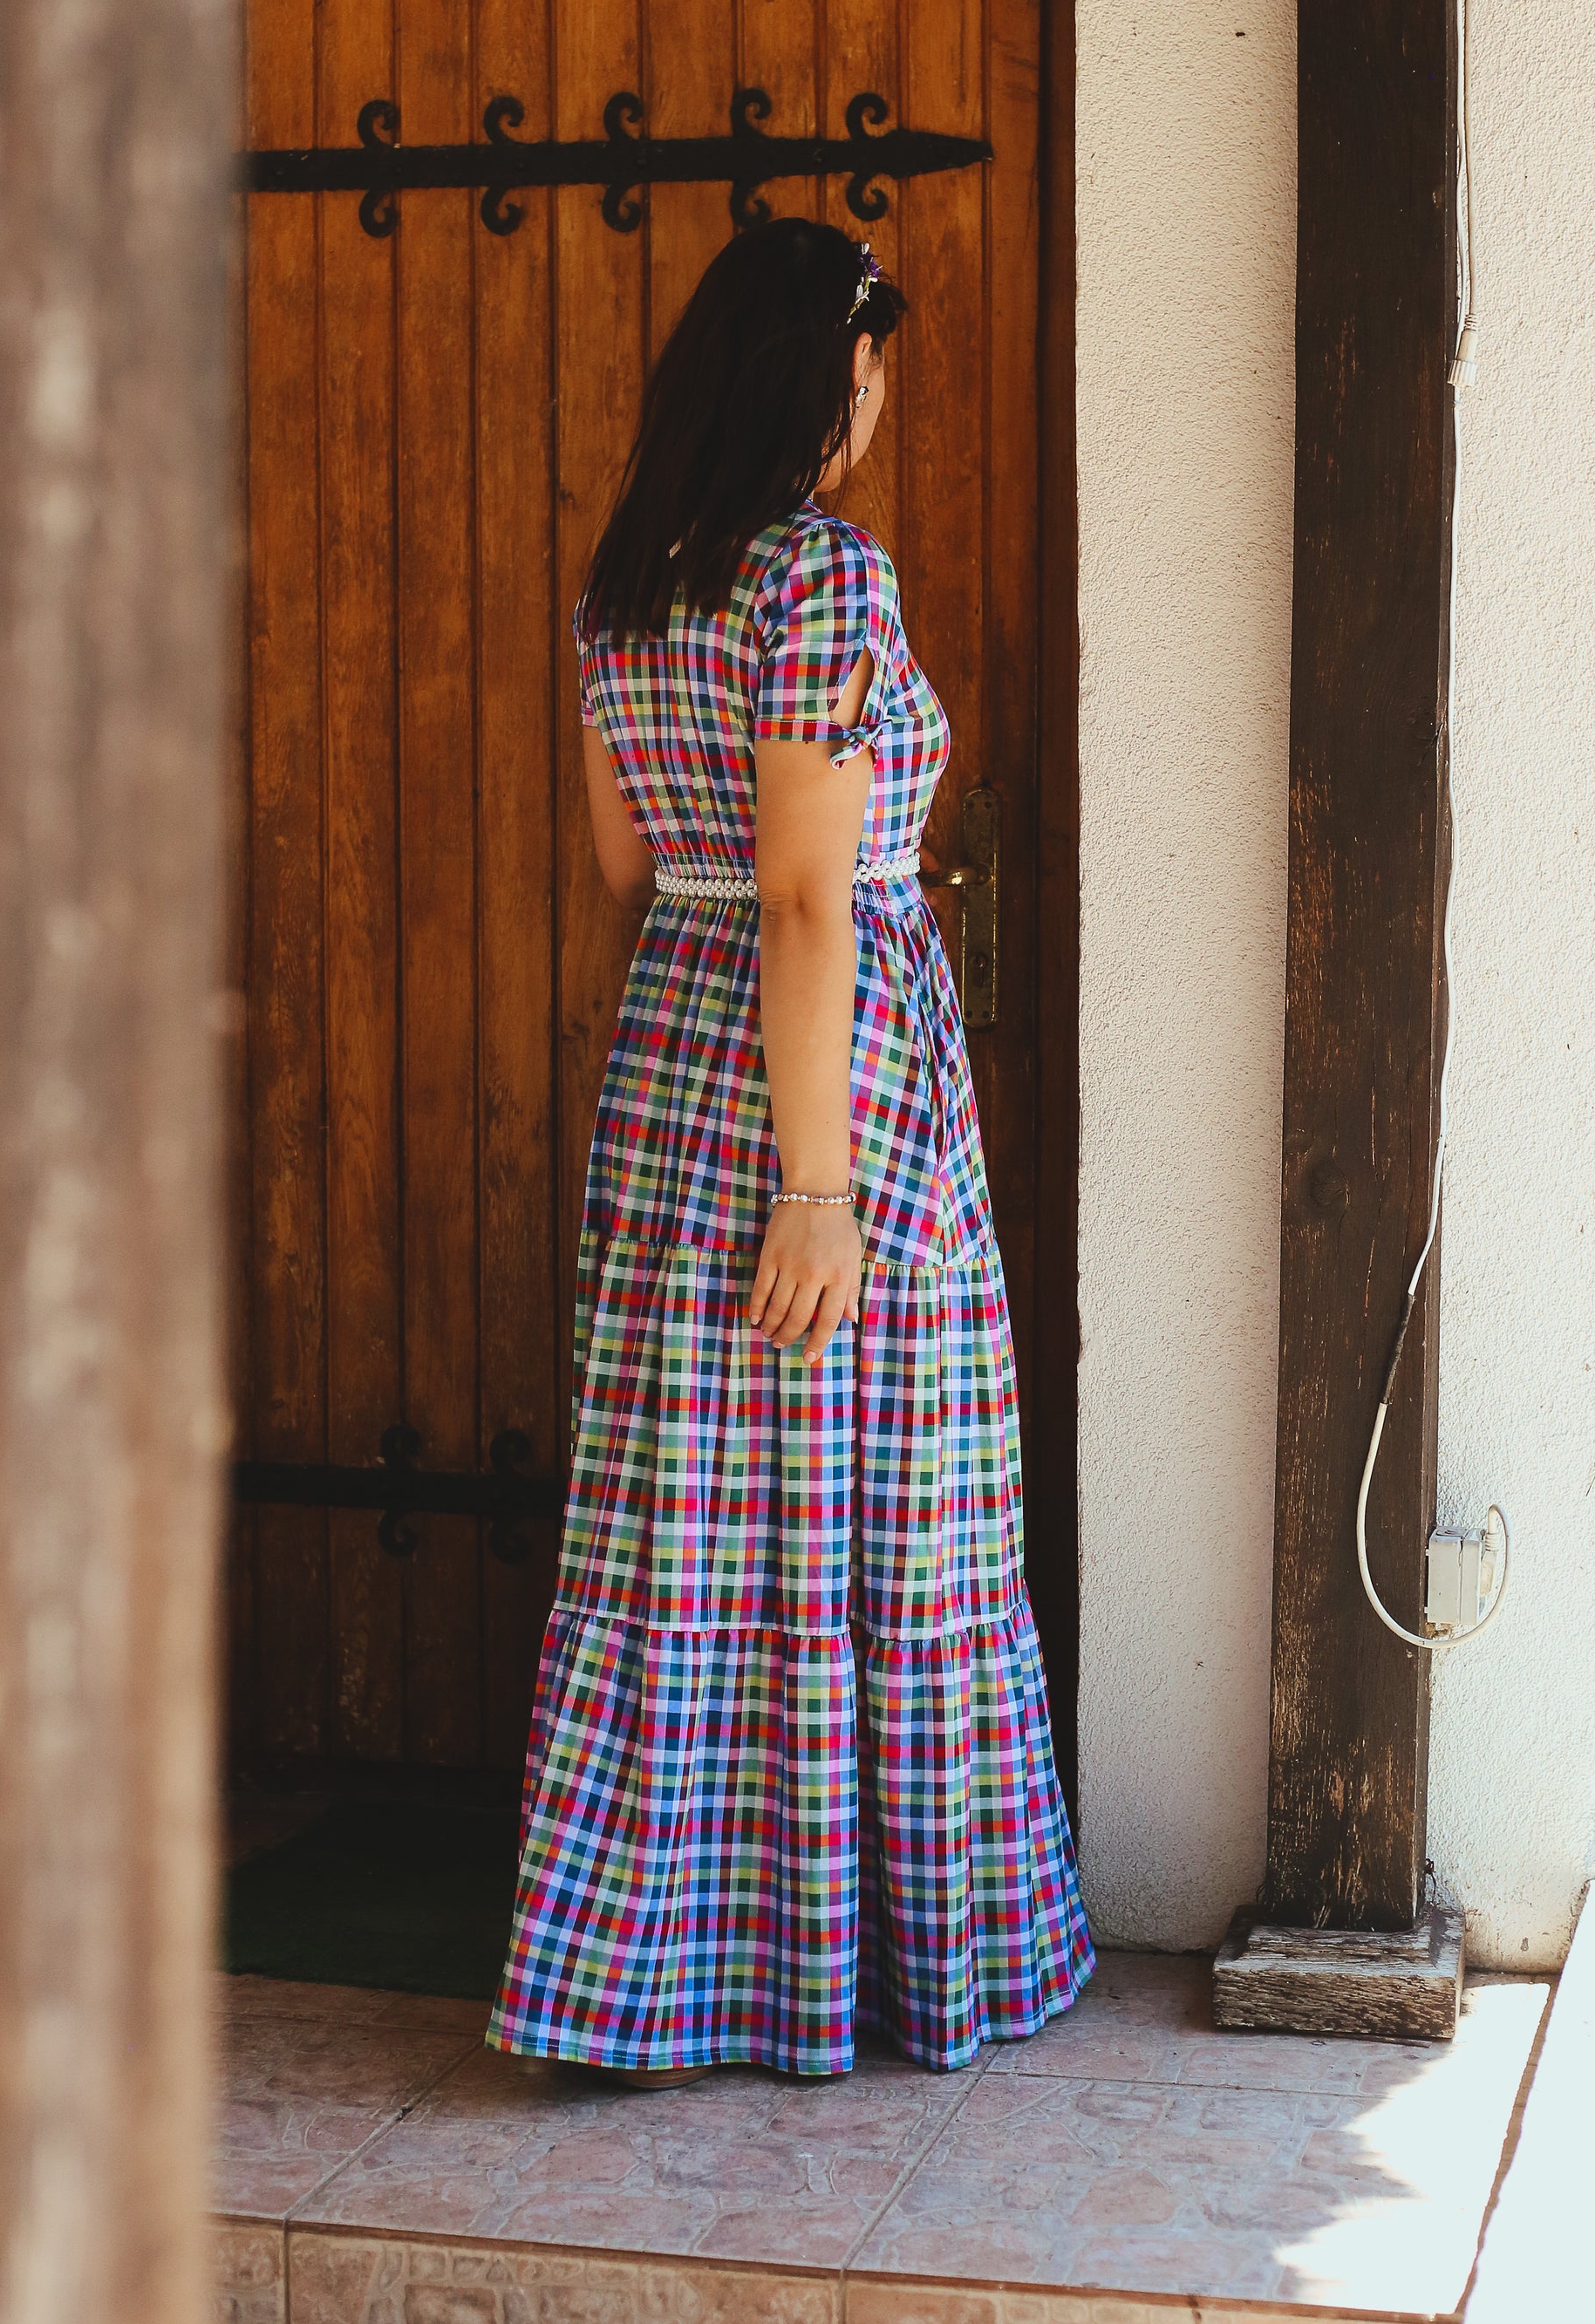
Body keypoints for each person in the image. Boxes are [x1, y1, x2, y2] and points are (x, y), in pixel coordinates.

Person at [488, 219, 1091, 2085]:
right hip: (823, 1095)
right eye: (872, 364)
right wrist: (820, 1185)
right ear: (825, 380)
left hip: (675, 1060)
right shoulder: (819, 578)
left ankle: (653, 1973)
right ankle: (863, 1960)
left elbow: (625, 870)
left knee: (688, 1526)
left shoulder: (627, 578)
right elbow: (815, 895)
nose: (878, 397)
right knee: (885, 1517)